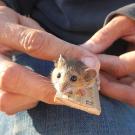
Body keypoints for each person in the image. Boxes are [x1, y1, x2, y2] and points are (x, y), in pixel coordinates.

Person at [0, 0, 135, 135]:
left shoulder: (89, 76)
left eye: (73, 78)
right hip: (44, 43)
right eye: (58, 76)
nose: (62, 86)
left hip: (122, 64)